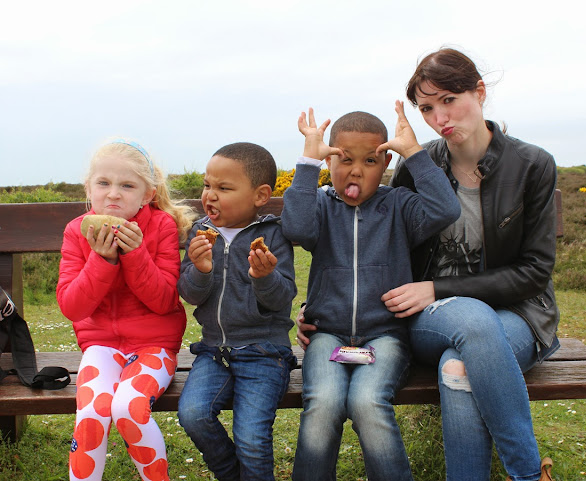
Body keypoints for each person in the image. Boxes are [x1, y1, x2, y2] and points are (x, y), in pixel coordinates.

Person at [383, 47, 559, 481]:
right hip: (432, 317)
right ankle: (529, 474)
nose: (440, 117)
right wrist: (324, 307)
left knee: (457, 367)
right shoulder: (417, 167)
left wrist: (438, 288)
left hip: (519, 313)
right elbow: (377, 244)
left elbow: (535, 270)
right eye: (426, 107)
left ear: (478, 92)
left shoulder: (532, 164)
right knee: (473, 321)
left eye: (448, 99)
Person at [282, 105, 460, 481]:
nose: (356, 171)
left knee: (368, 402)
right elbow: (296, 228)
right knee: (323, 403)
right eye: (344, 160)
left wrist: (414, 153)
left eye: (369, 161)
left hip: (386, 336)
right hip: (327, 335)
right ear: (330, 160)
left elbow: (445, 209)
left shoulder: (398, 205)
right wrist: (307, 162)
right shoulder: (320, 206)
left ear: (386, 163)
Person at [57, 139, 195, 481]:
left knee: (127, 408)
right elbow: (72, 306)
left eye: (127, 185)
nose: (113, 194)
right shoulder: (77, 231)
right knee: (91, 411)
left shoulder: (161, 226)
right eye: (103, 183)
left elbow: (164, 301)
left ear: (146, 195)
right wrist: (101, 260)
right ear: (89, 188)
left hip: (155, 347)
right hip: (101, 346)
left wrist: (134, 256)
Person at [177, 142, 298, 481]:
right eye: (207, 185)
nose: (210, 195)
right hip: (215, 352)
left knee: (251, 439)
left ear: (260, 196)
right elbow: (189, 293)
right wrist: (201, 270)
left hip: (264, 352)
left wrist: (263, 278)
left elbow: (282, 297)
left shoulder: (273, 235)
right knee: (193, 414)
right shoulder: (200, 233)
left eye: (223, 188)